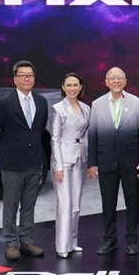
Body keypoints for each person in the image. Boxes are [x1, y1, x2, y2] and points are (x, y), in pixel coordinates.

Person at [0, 60, 50, 261]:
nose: (26, 78)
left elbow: (40, 130)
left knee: (29, 204)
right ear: (15, 79)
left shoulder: (41, 102)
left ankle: (26, 241)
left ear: (34, 78)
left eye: (29, 75)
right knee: (11, 205)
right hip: (12, 163)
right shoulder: (5, 103)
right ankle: (11, 243)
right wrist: (4, 153)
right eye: (22, 75)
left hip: (34, 162)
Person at [87, 67, 139, 255]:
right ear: (106, 82)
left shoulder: (136, 103)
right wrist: (92, 162)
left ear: (125, 81)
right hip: (106, 161)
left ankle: (132, 241)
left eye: (119, 77)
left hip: (131, 162)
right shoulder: (97, 104)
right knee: (108, 204)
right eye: (112, 78)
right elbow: (93, 134)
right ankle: (110, 240)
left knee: (132, 203)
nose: (116, 81)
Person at [49, 72, 90, 259]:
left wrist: (90, 160)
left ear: (80, 87)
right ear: (63, 87)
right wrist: (57, 166)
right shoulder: (57, 109)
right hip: (63, 161)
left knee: (75, 205)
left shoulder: (86, 108)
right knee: (64, 204)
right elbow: (54, 138)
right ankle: (62, 246)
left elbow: (87, 135)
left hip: (81, 158)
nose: (72, 88)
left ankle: (72, 242)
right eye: (69, 85)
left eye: (75, 85)